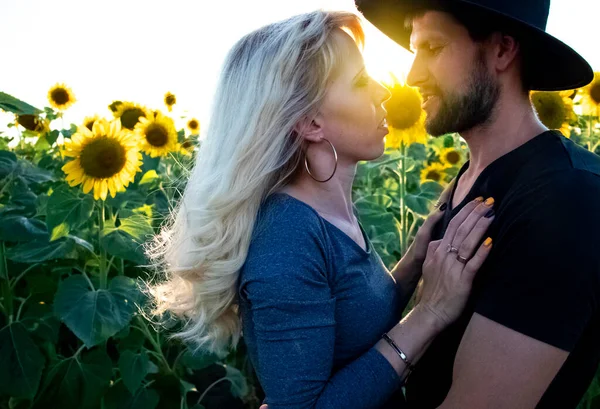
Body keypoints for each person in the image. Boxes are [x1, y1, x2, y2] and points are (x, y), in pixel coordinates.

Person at [143, 9, 496, 409]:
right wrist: (430, 313)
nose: (383, 92)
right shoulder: (286, 236)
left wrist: (416, 259)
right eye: (361, 82)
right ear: (310, 122)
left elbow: (355, 327)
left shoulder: (327, 213)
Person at [355, 0, 600, 408]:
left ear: (503, 50)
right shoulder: (472, 176)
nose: (413, 75)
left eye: (432, 48)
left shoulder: (565, 198)